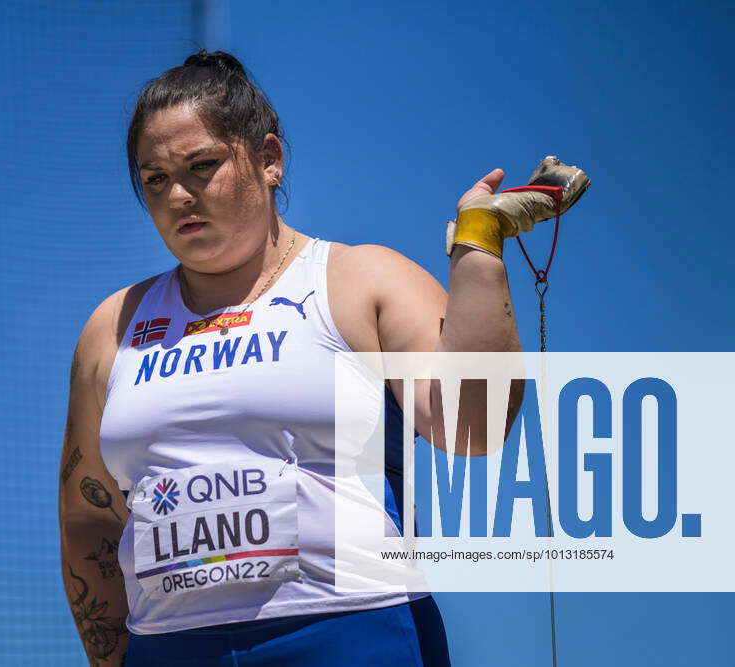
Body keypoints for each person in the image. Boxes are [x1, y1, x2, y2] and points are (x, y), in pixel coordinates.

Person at [59, 50, 525, 666]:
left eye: (202, 167)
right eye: (154, 180)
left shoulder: (360, 280)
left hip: (353, 633)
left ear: (269, 159)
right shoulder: (113, 326)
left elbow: (473, 425)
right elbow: (89, 521)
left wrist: (479, 247)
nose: (178, 195)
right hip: (169, 649)